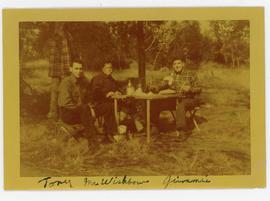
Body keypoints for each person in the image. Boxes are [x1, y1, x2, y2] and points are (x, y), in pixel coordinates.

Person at [150, 59, 202, 135]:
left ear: (183, 64)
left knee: (180, 105)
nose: (177, 66)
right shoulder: (171, 75)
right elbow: (163, 85)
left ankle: (182, 130)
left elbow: (199, 89)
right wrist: (156, 87)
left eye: (179, 63)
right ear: (173, 66)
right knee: (155, 104)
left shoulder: (191, 74)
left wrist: (190, 89)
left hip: (190, 99)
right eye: (174, 64)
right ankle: (153, 127)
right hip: (174, 100)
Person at [89, 62, 136, 142]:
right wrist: (106, 94)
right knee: (110, 107)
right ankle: (112, 133)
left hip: (111, 101)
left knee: (130, 104)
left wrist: (118, 92)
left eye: (111, 67)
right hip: (99, 103)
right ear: (103, 69)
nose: (110, 69)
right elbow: (95, 93)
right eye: (107, 67)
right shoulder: (97, 78)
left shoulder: (111, 79)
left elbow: (116, 88)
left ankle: (131, 129)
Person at [58, 62, 97, 148]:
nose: (79, 71)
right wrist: (83, 108)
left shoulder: (82, 81)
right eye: (76, 68)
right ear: (70, 69)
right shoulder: (66, 82)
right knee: (84, 110)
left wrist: (90, 107)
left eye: (81, 69)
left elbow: (89, 94)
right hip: (67, 113)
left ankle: (110, 133)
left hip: (80, 111)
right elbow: (65, 103)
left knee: (105, 107)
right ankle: (92, 141)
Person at [47, 23, 74, 119]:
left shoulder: (67, 36)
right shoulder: (57, 38)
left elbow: (68, 54)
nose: (60, 28)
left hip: (63, 68)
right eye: (59, 26)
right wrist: (66, 69)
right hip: (58, 69)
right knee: (56, 91)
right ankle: (54, 114)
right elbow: (57, 55)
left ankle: (62, 115)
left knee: (63, 92)